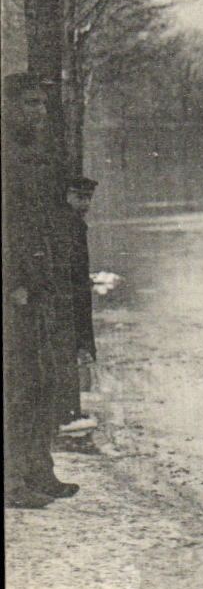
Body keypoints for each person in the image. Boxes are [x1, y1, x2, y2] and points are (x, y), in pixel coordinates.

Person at [4, 72, 77, 507]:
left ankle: (39, 470)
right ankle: (13, 483)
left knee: (41, 380)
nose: (39, 113)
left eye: (43, 106)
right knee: (17, 384)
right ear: (9, 107)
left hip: (42, 278)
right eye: (30, 104)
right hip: (16, 285)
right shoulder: (9, 154)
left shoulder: (41, 153)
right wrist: (14, 281)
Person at [49, 176, 99, 434]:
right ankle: (66, 413)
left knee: (71, 349)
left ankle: (66, 411)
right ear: (67, 196)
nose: (85, 202)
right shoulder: (68, 223)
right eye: (80, 196)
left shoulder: (70, 221)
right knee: (69, 349)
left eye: (88, 197)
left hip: (72, 293)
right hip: (67, 297)